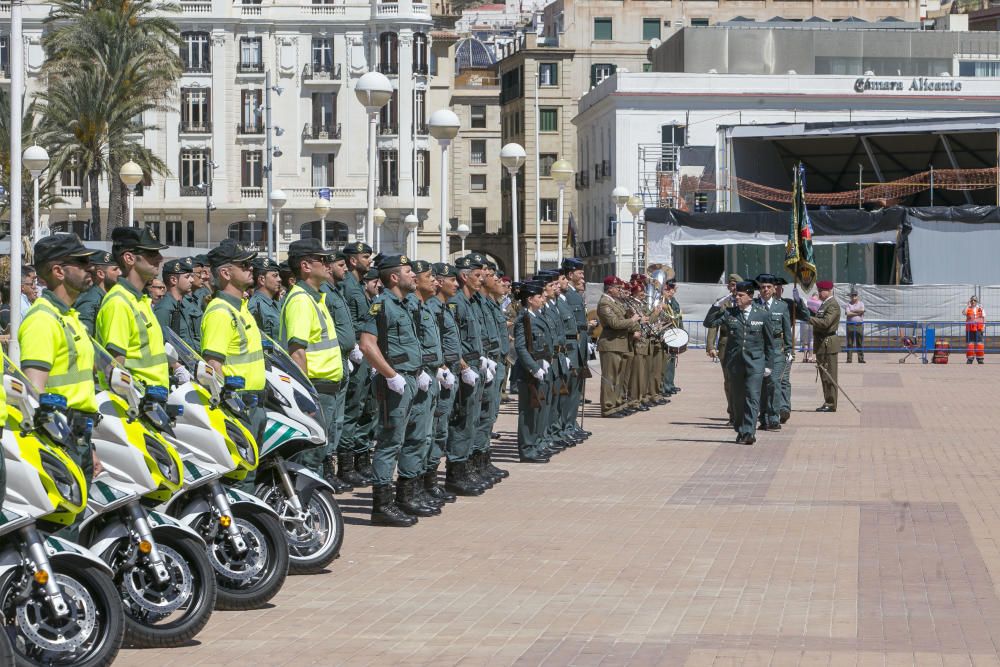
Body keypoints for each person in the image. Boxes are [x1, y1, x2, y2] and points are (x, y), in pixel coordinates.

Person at [19, 234, 103, 487]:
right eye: (81, 262)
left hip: (77, 433)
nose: (90, 267)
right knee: (61, 524)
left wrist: (88, 446)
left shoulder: (68, 317)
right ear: (58, 271)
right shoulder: (43, 320)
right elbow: (35, 391)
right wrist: (59, 443)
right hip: (60, 434)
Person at [357, 254, 424, 527]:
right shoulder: (381, 305)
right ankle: (381, 506)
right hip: (393, 383)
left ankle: (402, 498)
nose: (414, 276)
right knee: (388, 444)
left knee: (409, 439)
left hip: (409, 379)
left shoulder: (406, 304)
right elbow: (366, 345)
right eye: (409, 271)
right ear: (394, 277)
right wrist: (391, 375)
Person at [279, 239, 347, 489]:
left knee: (317, 454)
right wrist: (307, 396)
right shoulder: (300, 300)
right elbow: (297, 351)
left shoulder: (315, 298)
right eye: (324, 260)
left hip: (326, 388)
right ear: (306, 266)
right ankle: (304, 510)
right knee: (310, 456)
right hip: (316, 389)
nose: (329, 265)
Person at [201, 240, 267, 489]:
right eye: (245, 265)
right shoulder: (220, 312)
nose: (251, 268)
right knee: (241, 477)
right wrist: (232, 407)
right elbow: (213, 364)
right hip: (238, 405)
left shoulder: (240, 308)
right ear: (226, 273)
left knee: (249, 472)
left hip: (253, 403)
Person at [95, 227, 170, 391]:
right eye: (151, 254)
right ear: (129, 258)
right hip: (134, 404)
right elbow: (115, 368)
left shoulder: (140, 300)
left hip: (149, 402)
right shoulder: (118, 303)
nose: (160, 258)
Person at [703, 280, 776, 445]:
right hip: (735, 363)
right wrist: (717, 305)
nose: (737, 298)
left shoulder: (762, 314)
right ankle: (740, 428)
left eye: (741, 295)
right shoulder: (730, 313)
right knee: (737, 399)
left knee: (753, 396)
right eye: (736, 295)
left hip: (755, 362)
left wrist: (768, 365)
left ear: (750, 296)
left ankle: (749, 431)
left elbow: (769, 343)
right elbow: (709, 323)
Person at [404, 259, 448, 515]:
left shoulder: (424, 306)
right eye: (429, 276)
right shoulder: (411, 306)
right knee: (416, 437)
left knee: (427, 435)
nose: (435, 281)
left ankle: (419, 488)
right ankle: (407, 493)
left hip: (430, 374)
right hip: (417, 376)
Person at [445, 255, 489, 495]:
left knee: (472, 418)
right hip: (464, 369)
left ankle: (467, 468)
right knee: (462, 420)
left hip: (474, 365)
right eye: (477, 275)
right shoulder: (457, 303)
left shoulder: (470, 301)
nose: (481, 280)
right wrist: (463, 367)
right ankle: (455, 473)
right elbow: (452, 340)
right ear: (464, 276)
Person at [321, 252, 366, 488]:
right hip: (331, 362)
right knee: (330, 420)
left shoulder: (336, 291)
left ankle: (339, 467)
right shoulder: (325, 295)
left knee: (339, 418)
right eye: (340, 265)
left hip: (343, 360)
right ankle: (327, 469)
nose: (345, 269)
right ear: (328, 268)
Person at [338, 242, 376, 484]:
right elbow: (347, 320)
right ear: (353, 260)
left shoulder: (359, 286)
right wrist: (352, 347)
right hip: (355, 354)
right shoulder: (346, 286)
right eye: (365, 257)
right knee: (352, 410)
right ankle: (345, 465)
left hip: (364, 355)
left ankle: (361, 459)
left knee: (364, 408)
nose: (369, 261)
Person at [424, 263, 460, 504]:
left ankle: (430, 482)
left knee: (440, 429)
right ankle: (425, 484)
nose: (455, 284)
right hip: (436, 374)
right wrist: (440, 368)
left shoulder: (442, 307)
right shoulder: (432, 308)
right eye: (451, 279)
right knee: (433, 430)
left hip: (447, 372)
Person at [513, 280, 553, 462]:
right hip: (528, 373)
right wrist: (534, 367)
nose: (542, 299)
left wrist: (543, 361)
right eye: (539, 296)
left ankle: (535, 444)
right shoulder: (524, 319)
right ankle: (527, 449)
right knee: (528, 411)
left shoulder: (535, 316)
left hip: (538, 368)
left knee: (537, 409)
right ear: (530, 299)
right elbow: (521, 348)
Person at [596, 276, 640, 418]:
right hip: (611, 344)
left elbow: (624, 320)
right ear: (610, 289)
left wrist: (632, 317)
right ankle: (608, 407)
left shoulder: (616, 303)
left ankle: (616, 404)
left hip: (620, 343)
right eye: (618, 288)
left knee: (618, 378)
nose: (620, 290)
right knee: (610, 378)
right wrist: (632, 320)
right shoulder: (604, 303)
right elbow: (614, 323)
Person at [755, 274, 792, 431]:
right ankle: (763, 417)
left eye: (769, 287)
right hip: (759, 349)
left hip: (777, 350)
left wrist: (790, 349)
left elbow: (786, 329)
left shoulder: (781, 306)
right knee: (762, 385)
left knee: (774, 383)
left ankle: (773, 417)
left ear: (774, 288)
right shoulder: (754, 305)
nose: (766, 290)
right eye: (763, 287)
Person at [705, 273, 741, 425]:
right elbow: (713, 325)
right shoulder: (723, 303)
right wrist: (710, 346)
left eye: (736, 286)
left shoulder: (747, 301)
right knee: (729, 381)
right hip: (725, 344)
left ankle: (745, 412)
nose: (733, 288)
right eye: (731, 285)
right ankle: (732, 414)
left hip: (743, 344)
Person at [806, 280, 842, 412]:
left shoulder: (832, 305)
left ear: (828, 290)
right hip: (822, 343)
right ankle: (828, 401)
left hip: (828, 344)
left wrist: (808, 318)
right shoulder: (824, 304)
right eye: (819, 290)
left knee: (829, 375)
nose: (819, 293)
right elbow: (819, 317)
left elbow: (826, 323)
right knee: (824, 375)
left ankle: (831, 403)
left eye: (821, 290)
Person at [73, 251, 120, 336]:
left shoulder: (108, 297)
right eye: (115, 269)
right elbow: (86, 337)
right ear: (101, 274)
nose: (120, 273)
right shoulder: (90, 302)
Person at [247, 257, 282, 340]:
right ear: (262, 279)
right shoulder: (255, 305)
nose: (279, 279)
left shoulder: (276, 303)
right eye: (275, 276)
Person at [845, 289, 866, 364]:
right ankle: (849, 359)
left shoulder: (861, 303)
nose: (853, 297)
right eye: (852, 295)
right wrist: (857, 313)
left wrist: (852, 311)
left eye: (854, 295)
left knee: (859, 342)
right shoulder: (848, 304)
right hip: (850, 325)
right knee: (850, 342)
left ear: (857, 296)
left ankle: (861, 359)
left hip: (859, 325)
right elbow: (848, 313)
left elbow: (862, 311)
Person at [964, 295, 985, 365]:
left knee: (979, 344)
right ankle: (970, 359)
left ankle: (980, 359)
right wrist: (967, 306)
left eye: (974, 300)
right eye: (972, 300)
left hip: (978, 329)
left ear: (977, 301)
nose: (973, 302)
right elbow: (964, 313)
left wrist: (983, 326)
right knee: (970, 344)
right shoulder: (968, 308)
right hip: (969, 329)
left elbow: (984, 317)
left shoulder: (980, 308)